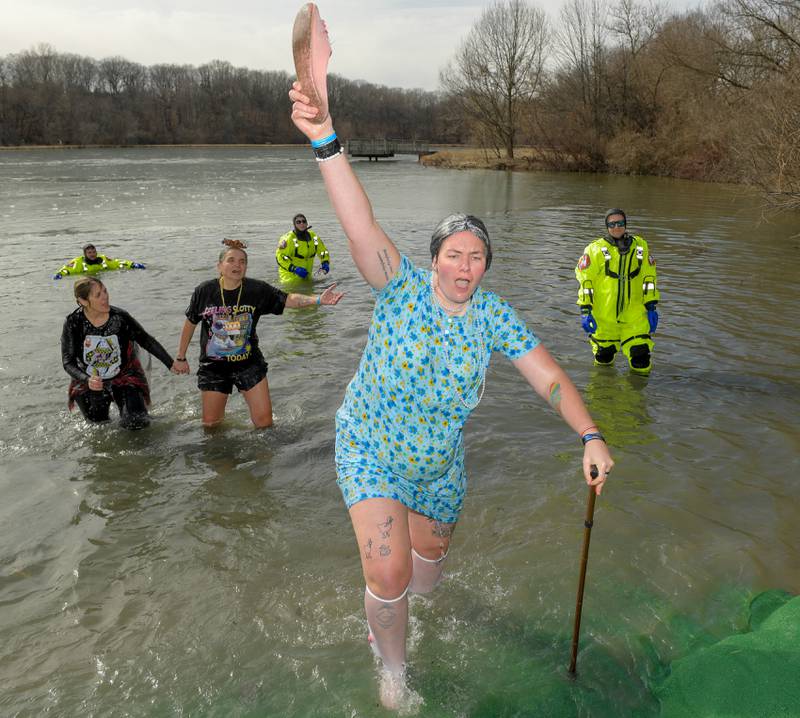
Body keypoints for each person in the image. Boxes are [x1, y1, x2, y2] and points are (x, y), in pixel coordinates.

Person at [289, 82, 614, 710]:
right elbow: (360, 224)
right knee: (390, 574)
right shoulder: (399, 287)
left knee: (428, 579)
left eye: (477, 256)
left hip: (439, 466)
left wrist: (590, 434)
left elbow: (546, 374)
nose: (465, 266)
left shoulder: (493, 314)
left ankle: (408, 611)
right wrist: (325, 140)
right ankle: (392, 669)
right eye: (454, 254)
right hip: (373, 449)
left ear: (486, 266)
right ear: (434, 258)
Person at [175, 239, 343, 428]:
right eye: (231, 260)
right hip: (214, 367)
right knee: (211, 425)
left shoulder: (256, 290)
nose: (237, 265)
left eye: (242, 262)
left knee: (265, 424)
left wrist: (318, 299)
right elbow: (191, 322)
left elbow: (290, 299)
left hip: (249, 364)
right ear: (219, 266)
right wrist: (180, 357)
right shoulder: (204, 291)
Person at [61, 276, 186, 430]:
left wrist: (170, 363)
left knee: (136, 422)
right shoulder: (73, 323)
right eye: (98, 295)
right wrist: (87, 379)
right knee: (98, 427)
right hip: (89, 381)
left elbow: (146, 340)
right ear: (83, 301)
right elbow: (68, 361)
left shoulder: (120, 317)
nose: (105, 297)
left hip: (124, 375)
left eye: (105, 291)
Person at [575, 209, 660, 375]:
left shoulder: (640, 246)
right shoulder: (594, 249)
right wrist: (585, 309)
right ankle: (603, 393)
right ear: (607, 227)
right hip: (604, 317)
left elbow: (649, 278)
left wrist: (651, 306)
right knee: (603, 362)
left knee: (641, 360)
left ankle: (638, 397)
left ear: (625, 224)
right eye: (612, 224)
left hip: (635, 316)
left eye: (620, 223)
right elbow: (585, 281)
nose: (616, 227)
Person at [275, 213, 331, 282]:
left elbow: (323, 251)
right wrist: (294, 269)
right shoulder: (288, 239)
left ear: (307, 223)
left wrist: (325, 262)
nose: (302, 224)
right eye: (298, 222)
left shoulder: (314, 237)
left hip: (307, 276)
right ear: (294, 225)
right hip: (289, 279)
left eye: (304, 221)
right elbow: (280, 257)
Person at [53, 243, 146, 279]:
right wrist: (59, 274)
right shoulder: (78, 262)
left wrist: (133, 264)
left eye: (94, 252)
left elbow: (117, 263)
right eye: (89, 252)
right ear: (85, 254)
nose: (92, 254)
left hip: (100, 278)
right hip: (86, 280)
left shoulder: (103, 260)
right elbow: (67, 269)